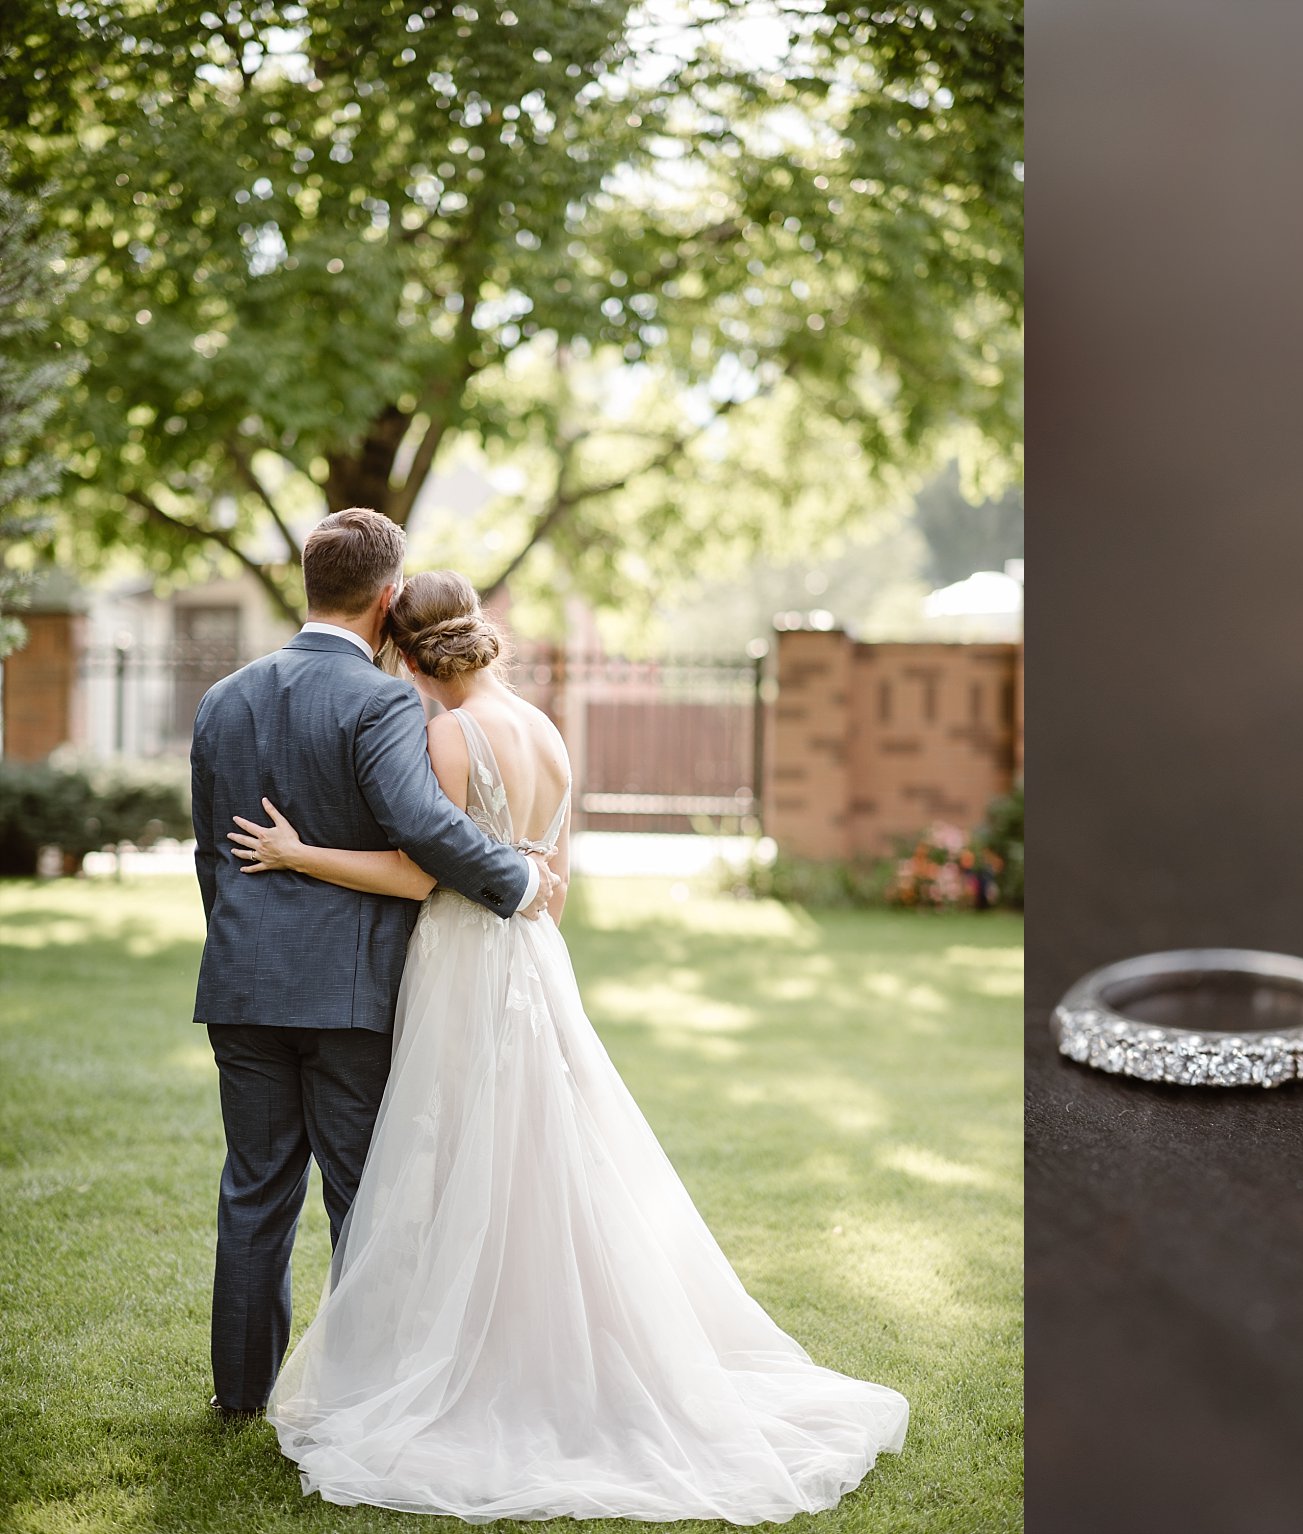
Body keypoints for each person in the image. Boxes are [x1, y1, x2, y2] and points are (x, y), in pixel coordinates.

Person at [231, 566, 908, 1523]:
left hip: (465, 962)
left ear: (407, 653)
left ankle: (471, 1361)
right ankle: (544, 1339)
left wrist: (298, 853)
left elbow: (422, 875)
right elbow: (545, 877)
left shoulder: (448, 734)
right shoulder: (545, 729)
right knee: (540, 1152)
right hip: (536, 963)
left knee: (461, 1154)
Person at [190, 509, 559, 1424]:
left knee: (253, 1191)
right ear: (388, 596)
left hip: (243, 984)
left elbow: (210, 856)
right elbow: (424, 827)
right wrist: (517, 879)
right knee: (364, 1195)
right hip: (350, 992)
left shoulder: (223, 698)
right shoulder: (383, 701)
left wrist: (244, 946)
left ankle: (239, 1397)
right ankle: (362, 1394)